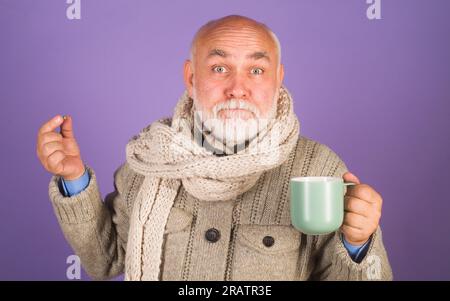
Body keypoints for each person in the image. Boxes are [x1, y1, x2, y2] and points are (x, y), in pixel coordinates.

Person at [36, 15, 393, 281]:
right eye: (220, 68)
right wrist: (74, 179)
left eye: (256, 70)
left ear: (278, 79)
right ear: (192, 78)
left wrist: (359, 243)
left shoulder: (319, 169)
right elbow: (105, 261)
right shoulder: (148, 161)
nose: (238, 88)